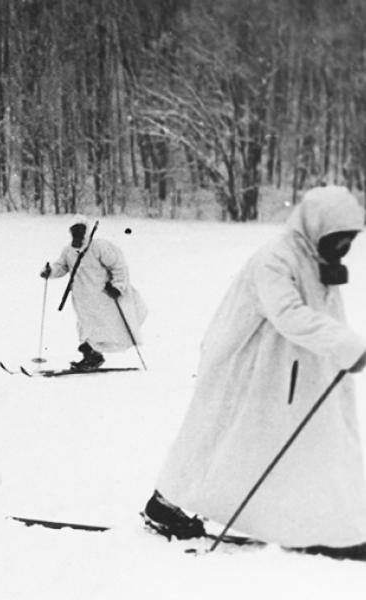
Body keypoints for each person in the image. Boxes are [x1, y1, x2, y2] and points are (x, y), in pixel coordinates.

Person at [143, 186, 366, 560]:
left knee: (302, 444)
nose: (343, 249)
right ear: (317, 227)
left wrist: (338, 351)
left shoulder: (314, 256)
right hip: (245, 366)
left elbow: (323, 314)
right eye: (339, 240)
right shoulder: (275, 259)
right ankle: (165, 505)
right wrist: (346, 346)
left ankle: (316, 525)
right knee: (220, 437)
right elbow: (288, 314)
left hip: (292, 368)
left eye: (349, 241)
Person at [40, 216, 146, 370]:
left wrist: (118, 286)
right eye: (74, 231)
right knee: (86, 327)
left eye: (80, 230)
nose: (77, 234)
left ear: (86, 231)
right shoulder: (69, 251)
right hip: (82, 298)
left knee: (105, 326)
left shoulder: (99, 247)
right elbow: (61, 266)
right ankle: (92, 357)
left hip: (103, 296)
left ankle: (93, 356)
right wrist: (49, 272)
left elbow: (119, 266)